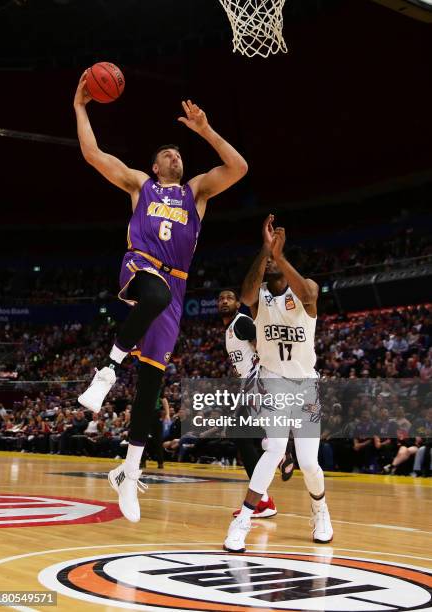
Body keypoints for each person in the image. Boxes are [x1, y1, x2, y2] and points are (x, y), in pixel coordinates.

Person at [73, 74, 248, 523]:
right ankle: (107, 370)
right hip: (141, 266)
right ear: (154, 167)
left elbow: (239, 168)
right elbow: (93, 155)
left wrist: (206, 131)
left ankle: (129, 473)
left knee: (152, 383)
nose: (176, 154)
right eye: (167, 153)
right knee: (153, 291)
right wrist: (81, 107)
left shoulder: (197, 192)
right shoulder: (139, 186)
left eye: (179, 153)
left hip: (176, 286)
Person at [223, 215, 333, 552]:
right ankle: (242, 519)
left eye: (275, 259)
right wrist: (264, 249)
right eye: (268, 261)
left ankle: (320, 509)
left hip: (306, 385)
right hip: (273, 383)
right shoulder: (259, 302)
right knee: (272, 450)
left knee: (310, 463)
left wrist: (280, 257)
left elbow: (309, 292)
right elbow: (245, 293)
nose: (271, 262)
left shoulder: (306, 292)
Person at [218, 288, 294, 519]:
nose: (224, 301)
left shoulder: (242, 322)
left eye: (229, 298)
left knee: (240, 434)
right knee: (245, 437)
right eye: (221, 298)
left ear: (238, 304)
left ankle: (263, 500)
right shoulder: (230, 329)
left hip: (258, 382)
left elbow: (264, 345)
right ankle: (277, 455)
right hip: (248, 384)